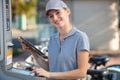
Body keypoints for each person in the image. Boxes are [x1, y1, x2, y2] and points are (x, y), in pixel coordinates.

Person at [21, 0, 90, 80]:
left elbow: (81, 72)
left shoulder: (80, 37)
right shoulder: (52, 39)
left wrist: (50, 75)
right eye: (51, 16)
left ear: (67, 11)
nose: (55, 18)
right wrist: (32, 52)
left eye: (58, 13)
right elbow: (51, 67)